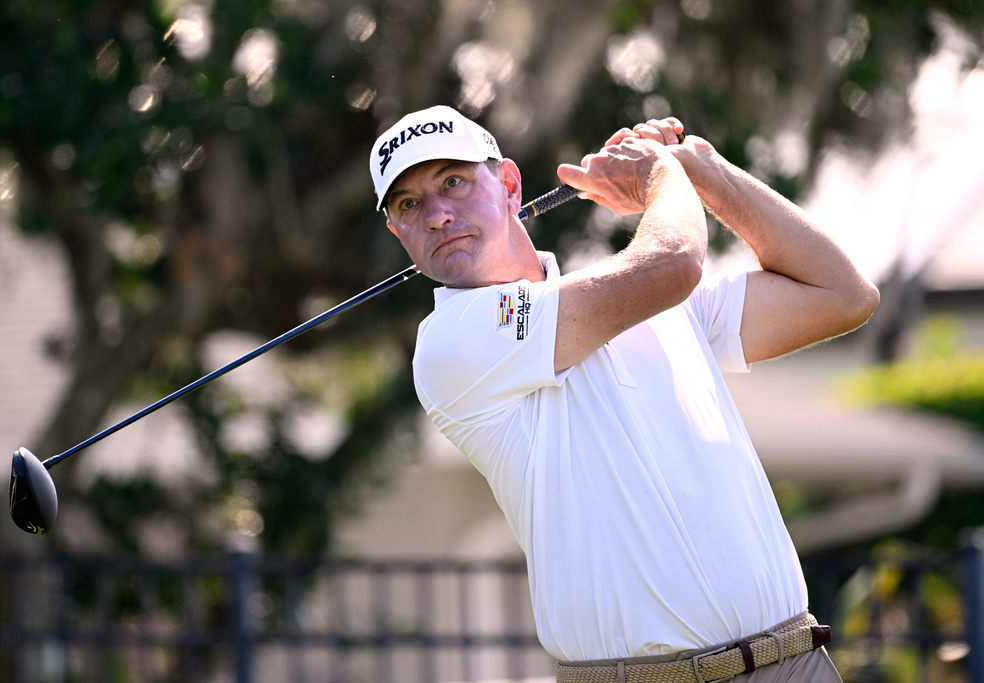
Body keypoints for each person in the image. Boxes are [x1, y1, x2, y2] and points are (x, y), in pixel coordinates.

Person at [368, 104, 879, 683]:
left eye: (453, 183)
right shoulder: (451, 341)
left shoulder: (651, 302)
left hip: (792, 661)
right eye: (408, 204)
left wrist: (705, 171)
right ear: (398, 232)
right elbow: (673, 263)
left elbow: (842, 294)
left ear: (509, 185)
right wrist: (659, 172)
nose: (437, 215)